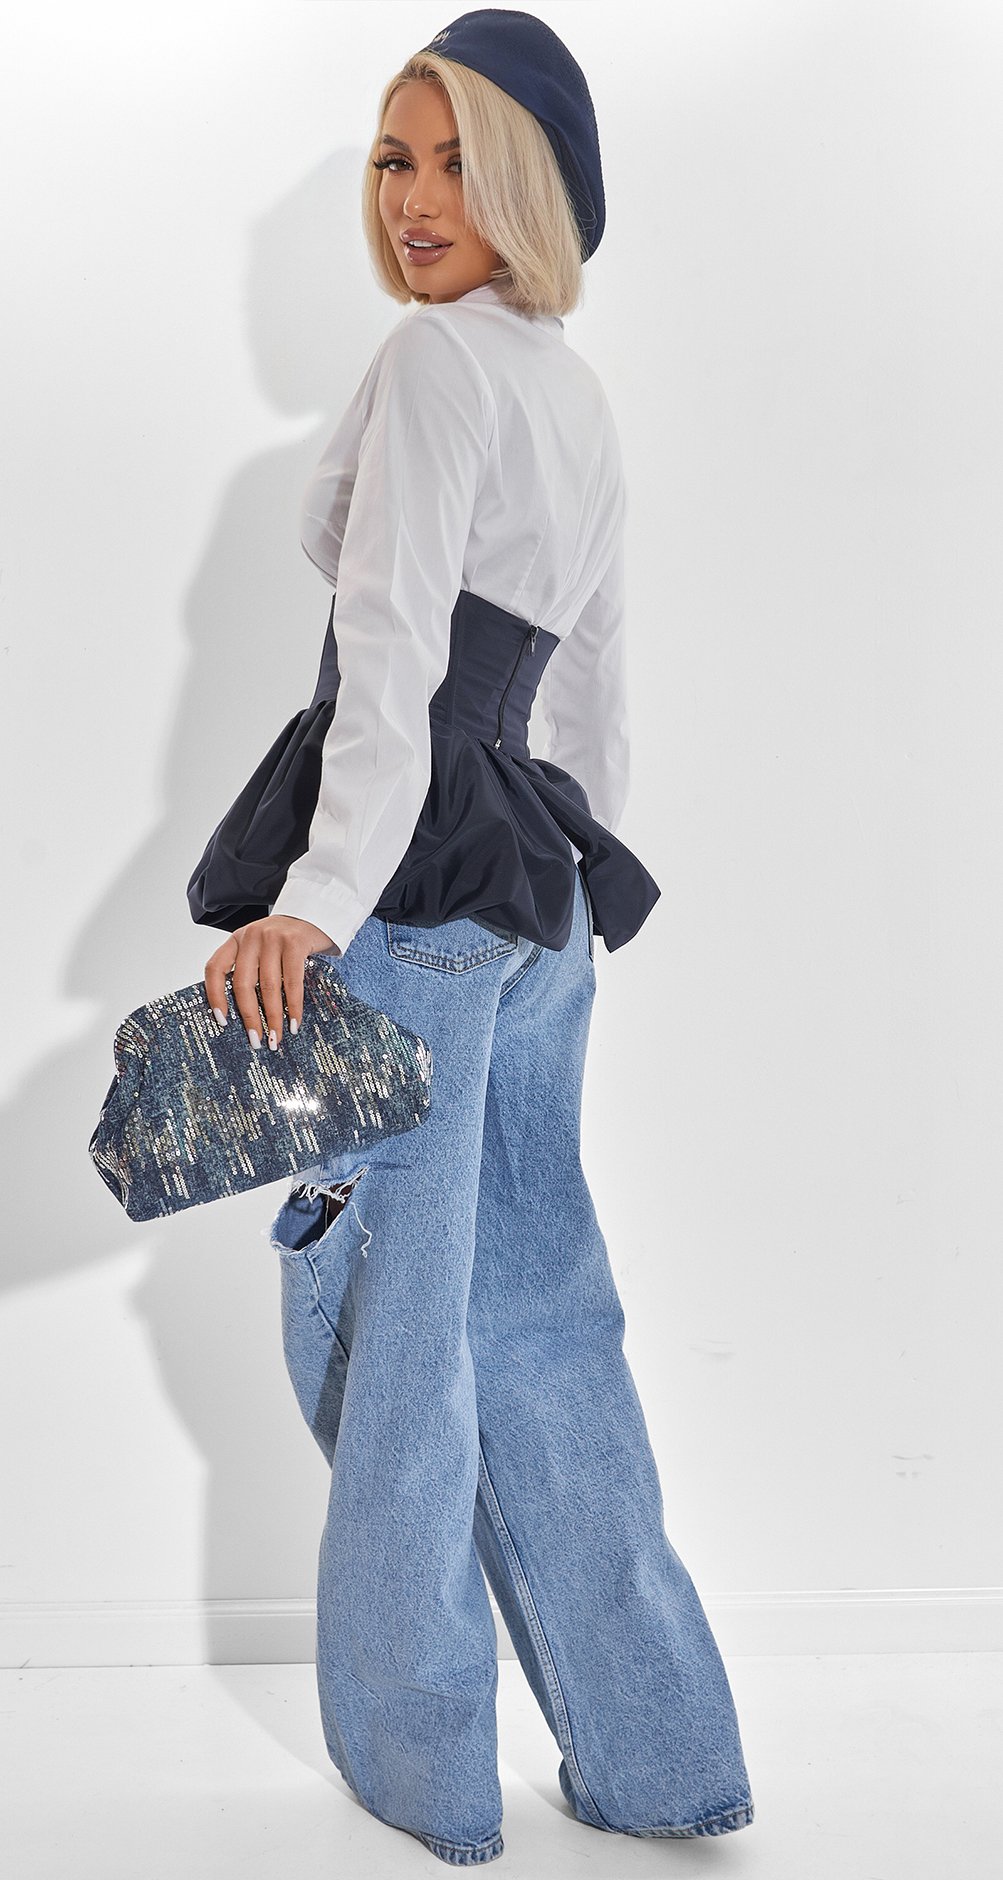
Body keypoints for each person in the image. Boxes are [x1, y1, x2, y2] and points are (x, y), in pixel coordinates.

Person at [198, 9, 755, 1866]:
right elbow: (589, 687)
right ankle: (665, 1763)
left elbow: (389, 670)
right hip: (534, 894)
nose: (416, 199)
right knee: (540, 1318)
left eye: (457, 163)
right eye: (393, 159)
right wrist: (579, 878)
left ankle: (423, 1776)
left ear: (535, 189)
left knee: (389, 1334)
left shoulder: (435, 363)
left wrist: (310, 907)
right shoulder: (572, 394)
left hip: (416, 892)